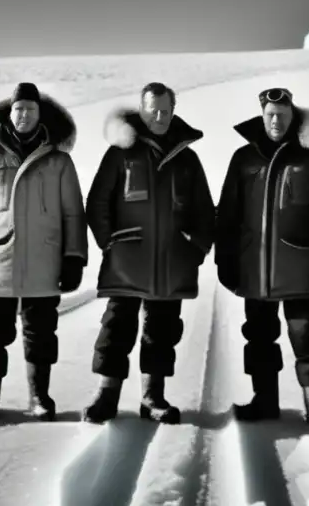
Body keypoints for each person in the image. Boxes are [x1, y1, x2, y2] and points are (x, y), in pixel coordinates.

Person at [81, 83, 216, 424]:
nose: (159, 117)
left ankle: (152, 397)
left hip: (173, 261)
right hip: (127, 260)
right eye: (152, 110)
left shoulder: (188, 159)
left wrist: (195, 249)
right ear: (141, 110)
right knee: (116, 326)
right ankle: (106, 394)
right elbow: (98, 202)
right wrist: (109, 243)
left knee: (163, 329)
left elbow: (204, 210)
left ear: (173, 110)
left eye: (165, 110)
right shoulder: (120, 153)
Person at [215, 87, 309, 435]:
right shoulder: (243, 158)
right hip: (254, 267)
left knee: (307, 335)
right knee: (259, 335)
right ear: (262, 116)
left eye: (283, 115)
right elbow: (227, 212)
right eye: (271, 115)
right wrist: (226, 258)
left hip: (298, 267)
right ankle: (265, 401)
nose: (276, 121)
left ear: (293, 117)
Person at [0, 82, 88, 423]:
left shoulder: (59, 161)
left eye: (30, 109)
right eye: (19, 109)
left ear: (39, 114)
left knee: (41, 333)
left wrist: (74, 256)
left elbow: (74, 212)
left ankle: (39, 396)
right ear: (9, 112)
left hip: (43, 261)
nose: (24, 115)